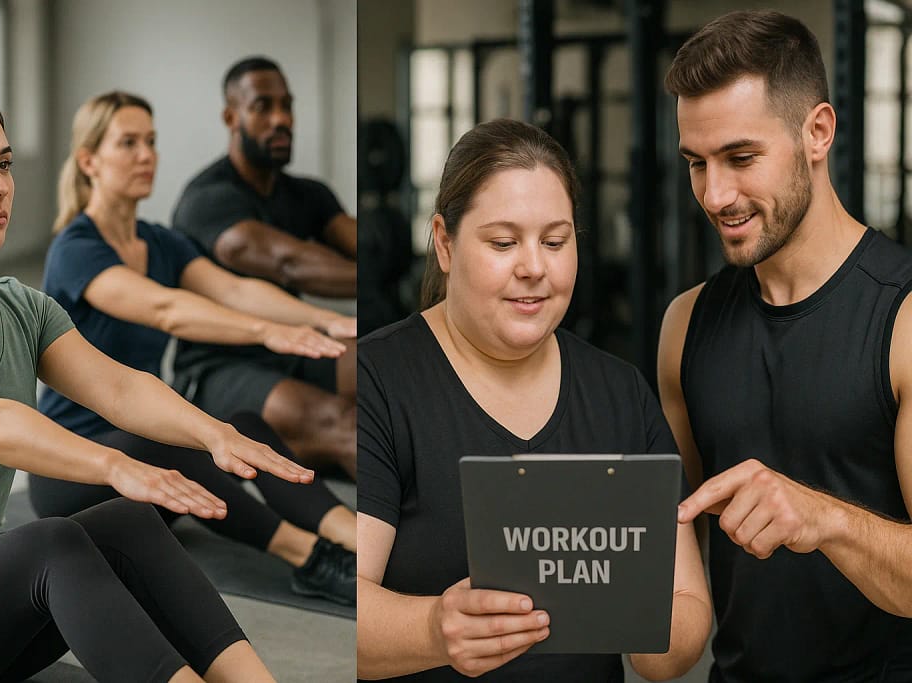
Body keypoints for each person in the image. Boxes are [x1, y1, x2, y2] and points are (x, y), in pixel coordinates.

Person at [0, 86, 315, 682]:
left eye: (4, 164)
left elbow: (120, 390)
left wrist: (212, 433)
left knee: (128, 521)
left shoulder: (20, 308)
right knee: (54, 542)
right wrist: (113, 465)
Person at [356, 118, 712, 681]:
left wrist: (650, 627)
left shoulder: (621, 395)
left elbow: (687, 603)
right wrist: (433, 629)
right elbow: (341, 603)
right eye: (503, 243)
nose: (533, 268)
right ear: (445, 244)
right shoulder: (380, 380)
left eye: (554, 241)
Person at [658, 10, 912, 682]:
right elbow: (667, 553)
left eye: (741, 158)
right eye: (696, 164)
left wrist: (822, 517)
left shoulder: (904, 319)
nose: (715, 195)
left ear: (817, 132)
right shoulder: (685, 325)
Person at [28, 91, 357, 606]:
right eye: (129, 143)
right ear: (90, 160)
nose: (147, 155)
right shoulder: (75, 249)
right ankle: (311, 558)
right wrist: (262, 332)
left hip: (144, 473)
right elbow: (166, 309)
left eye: (152, 142)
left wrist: (326, 319)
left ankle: (350, 533)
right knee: (177, 437)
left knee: (243, 423)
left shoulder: (159, 242)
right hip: (73, 472)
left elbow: (235, 289)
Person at [171, 56, 357, 477]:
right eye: (263, 107)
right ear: (231, 115)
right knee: (344, 422)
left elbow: (362, 246)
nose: (281, 119)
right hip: (220, 366)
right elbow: (290, 264)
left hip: (292, 343)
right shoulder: (208, 199)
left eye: (287, 106)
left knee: (388, 376)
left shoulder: (308, 193)